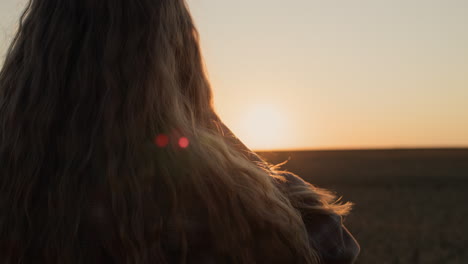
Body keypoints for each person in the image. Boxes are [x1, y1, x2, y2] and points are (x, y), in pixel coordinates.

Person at [0, 0, 359, 263]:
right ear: (173, 58)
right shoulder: (210, 202)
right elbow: (333, 246)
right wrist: (207, 121)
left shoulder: (16, 189)